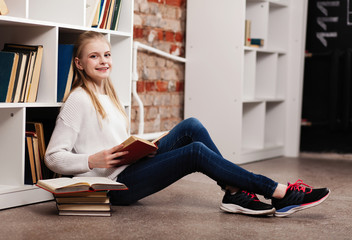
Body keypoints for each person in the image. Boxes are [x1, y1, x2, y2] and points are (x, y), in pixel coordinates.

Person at [45, 31, 330, 217]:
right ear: (80, 64)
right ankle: (279, 192)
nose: (103, 61)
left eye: (106, 55)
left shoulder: (109, 94)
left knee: (191, 125)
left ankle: (234, 193)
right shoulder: (78, 100)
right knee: (194, 152)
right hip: (113, 186)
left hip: (127, 168)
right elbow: (53, 157)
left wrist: (143, 146)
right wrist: (92, 160)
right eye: (94, 56)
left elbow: (112, 140)